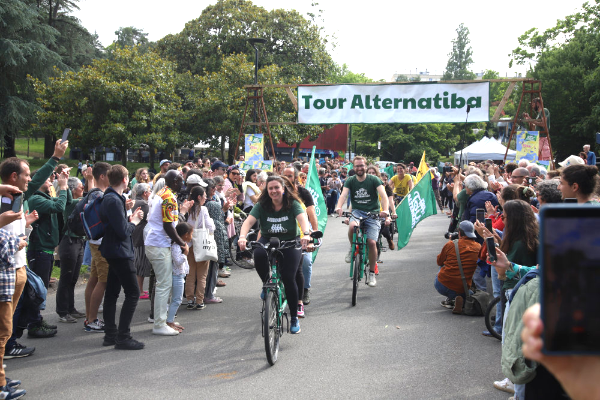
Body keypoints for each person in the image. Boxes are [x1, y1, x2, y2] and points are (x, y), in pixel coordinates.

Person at [238, 176, 311, 334]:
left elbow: (302, 219)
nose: (273, 191)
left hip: (290, 241)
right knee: (258, 255)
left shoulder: (293, 203)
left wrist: (306, 234)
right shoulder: (262, 205)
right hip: (268, 239)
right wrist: (242, 236)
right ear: (267, 190)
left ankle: (293, 318)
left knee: (288, 277)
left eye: (277, 188)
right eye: (270, 188)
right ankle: (266, 283)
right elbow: (248, 222)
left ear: (283, 189)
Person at [99, 164, 145, 349]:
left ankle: (111, 334)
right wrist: (134, 221)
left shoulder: (111, 197)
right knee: (133, 292)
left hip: (113, 249)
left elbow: (115, 224)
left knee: (111, 292)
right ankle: (123, 336)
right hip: (120, 251)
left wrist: (127, 214)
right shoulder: (113, 199)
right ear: (125, 179)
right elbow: (123, 231)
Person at [145, 170, 191, 336]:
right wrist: (182, 243)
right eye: (181, 181)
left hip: (155, 242)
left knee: (163, 284)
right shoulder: (169, 197)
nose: (183, 184)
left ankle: (163, 320)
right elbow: (168, 226)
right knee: (164, 285)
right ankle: (159, 324)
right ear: (175, 182)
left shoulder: (161, 193)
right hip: (159, 243)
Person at [335, 156, 389, 287]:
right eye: (357, 166)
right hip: (357, 211)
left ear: (366, 166)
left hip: (373, 213)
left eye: (361, 165)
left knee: (371, 242)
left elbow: (383, 196)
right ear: (353, 167)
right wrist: (338, 207)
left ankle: (371, 273)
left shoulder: (374, 179)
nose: (359, 168)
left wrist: (386, 210)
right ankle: (352, 247)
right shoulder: (350, 180)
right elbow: (343, 194)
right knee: (352, 227)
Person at [84, 162, 112, 333]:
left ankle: (90, 317)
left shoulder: (93, 192)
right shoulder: (99, 195)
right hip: (100, 243)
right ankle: (92, 319)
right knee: (103, 280)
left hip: (95, 242)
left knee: (94, 279)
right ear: (103, 176)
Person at [0, 228, 27, 399]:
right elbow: (4, 247)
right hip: (3, 281)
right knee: (3, 333)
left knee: (5, 332)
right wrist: (17, 242)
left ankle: (1, 379)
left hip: (9, 278)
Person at [55, 177, 86, 323]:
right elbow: (86, 199)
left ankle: (70, 308)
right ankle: (62, 312)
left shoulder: (77, 203)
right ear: (73, 190)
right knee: (66, 278)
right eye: (81, 187)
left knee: (73, 278)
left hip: (78, 241)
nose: (83, 189)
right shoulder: (70, 204)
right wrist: (64, 182)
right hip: (69, 242)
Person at [435, 221, 481, 314]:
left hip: (442, 285)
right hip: (463, 287)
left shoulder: (451, 244)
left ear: (459, 232)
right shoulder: (478, 247)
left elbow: (439, 261)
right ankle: (460, 299)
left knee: (443, 264)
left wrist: (450, 242)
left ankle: (453, 299)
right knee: (472, 294)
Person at [184, 186, 214, 310]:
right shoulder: (203, 210)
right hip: (202, 244)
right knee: (202, 275)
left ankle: (190, 299)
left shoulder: (187, 208)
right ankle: (200, 300)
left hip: (189, 244)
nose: (206, 198)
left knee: (190, 274)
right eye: (204, 195)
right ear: (199, 197)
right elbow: (210, 227)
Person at [167, 222, 192, 333]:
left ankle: (170, 320)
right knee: (177, 300)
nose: (192, 236)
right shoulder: (177, 246)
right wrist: (185, 253)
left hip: (179, 275)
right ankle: (169, 321)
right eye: (191, 234)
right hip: (176, 275)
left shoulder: (179, 244)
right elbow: (177, 261)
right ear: (186, 234)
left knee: (175, 299)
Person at [131, 183, 152, 300]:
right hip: (141, 237)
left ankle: (139, 290)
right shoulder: (143, 204)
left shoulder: (135, 201)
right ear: (145, 193)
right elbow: (148, 218)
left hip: (136, 235)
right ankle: (139, 291)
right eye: (149, 191)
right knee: (140, 265)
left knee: (139, 263)